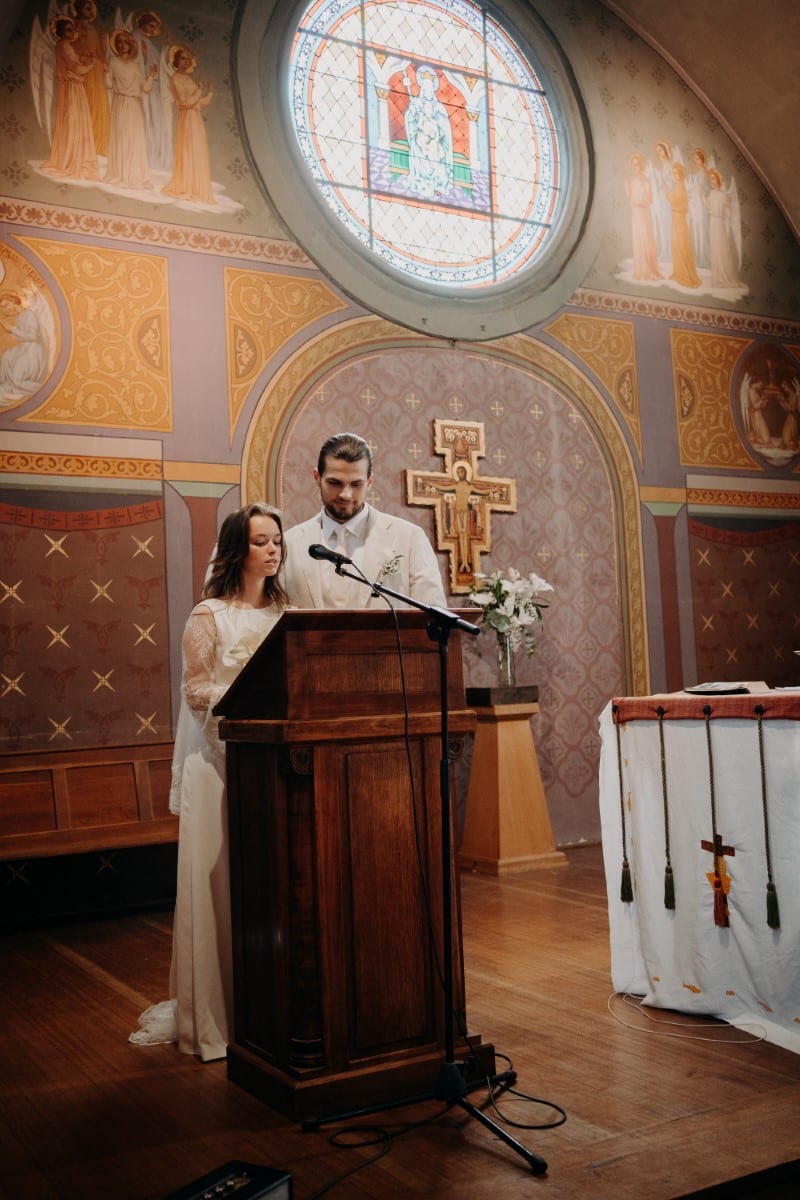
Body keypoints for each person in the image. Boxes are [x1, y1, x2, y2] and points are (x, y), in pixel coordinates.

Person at [130, 502, 287, 1061]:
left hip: (269, 762)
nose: (272, 550)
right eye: (261, 541)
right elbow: (196, 691)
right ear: (237, 549)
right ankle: (212, 1015)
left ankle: (266, 1012)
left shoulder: (285, 614)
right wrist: (248, 703)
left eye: (276, 540)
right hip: (216, 761)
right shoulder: (209, 615)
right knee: (215, 880)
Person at [284, 432, 446, 610]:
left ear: (370, 481)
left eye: (356, 484)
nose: (345, 494)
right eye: (335, 483)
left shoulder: (409, 538)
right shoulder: (289, 544)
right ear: (317, 477)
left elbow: (433, 614)